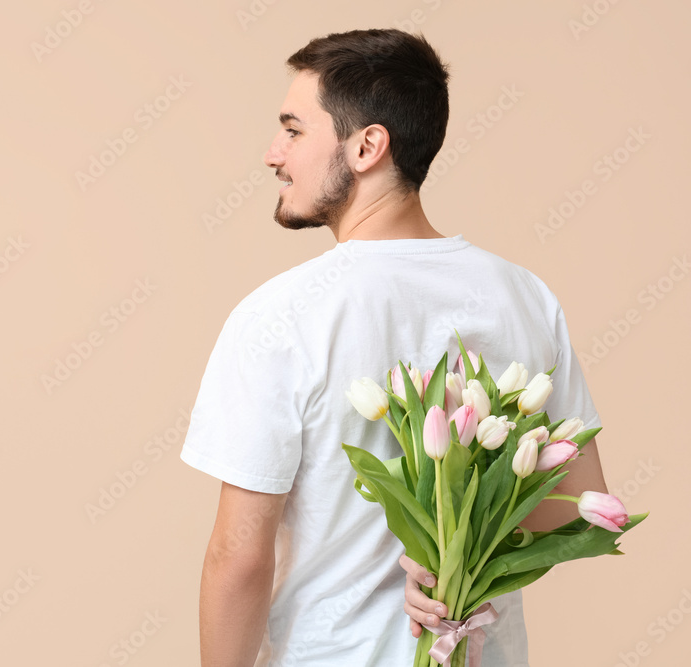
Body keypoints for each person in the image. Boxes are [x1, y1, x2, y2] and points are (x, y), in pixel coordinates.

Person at [179, 28, 609, 666]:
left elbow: (237, 556)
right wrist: (459, 560)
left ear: (366, 146)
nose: (274, 152)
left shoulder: (282, 314)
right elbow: (577, 509)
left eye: (294, 130)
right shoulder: (523, 295)